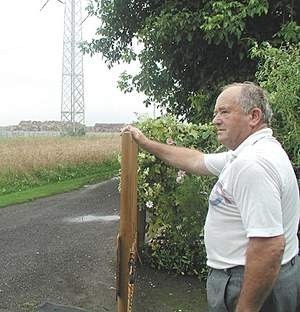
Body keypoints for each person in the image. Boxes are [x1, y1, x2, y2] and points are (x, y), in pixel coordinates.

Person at [121, 82, 300, 312]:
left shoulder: (252, 164)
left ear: (254, 116)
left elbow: (269, 246)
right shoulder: (250, 153)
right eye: (216, 113)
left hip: (247, 283)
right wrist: (145, 142)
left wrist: (246, 308)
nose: (216, 120)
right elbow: (196, 160)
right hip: (256, 278)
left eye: (224, 112)